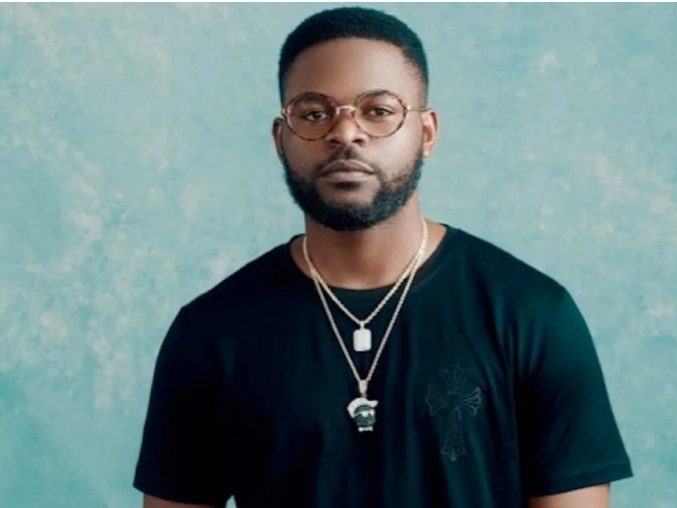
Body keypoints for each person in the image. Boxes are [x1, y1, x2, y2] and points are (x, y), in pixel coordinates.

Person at [133, 6, 633, 508]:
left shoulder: (533, 315)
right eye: (314, 113)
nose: (346, 133)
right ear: (281, 140)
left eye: (377, 110)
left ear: (427, 133)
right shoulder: (212, 332)